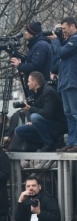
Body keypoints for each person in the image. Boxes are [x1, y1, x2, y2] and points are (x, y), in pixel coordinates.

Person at [13, 71, 67, 151]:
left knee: (35, 117)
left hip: (56, 125)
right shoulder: (35, 94)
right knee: (19, 130)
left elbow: (48, 113)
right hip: (44, 125)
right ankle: (52, 142)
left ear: (34, 83)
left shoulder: (48, 91)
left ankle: (49, 143)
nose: (27, 84)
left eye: (29, 81)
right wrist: (33, 122)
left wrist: (30, 109)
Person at [50, 17, 77, 152]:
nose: (63, 31)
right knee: (69, 114)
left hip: (72, 81)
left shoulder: (75, 39)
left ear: (72, 26)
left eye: (64, 28)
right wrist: (59, 38)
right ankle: (71, 142)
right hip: (65, 82)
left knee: (75, 113)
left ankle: (76, 142)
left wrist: (55, 40)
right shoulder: (68, 40)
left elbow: (61, 52)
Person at [11, 21, 53, 94]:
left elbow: (35, 66)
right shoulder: (37, 44)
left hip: (38, 87)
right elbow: (31, 61)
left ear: (32, 34)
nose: (25, 33)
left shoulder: (40, 46)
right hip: (37, 86)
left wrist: (19, 65)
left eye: (27, 31)